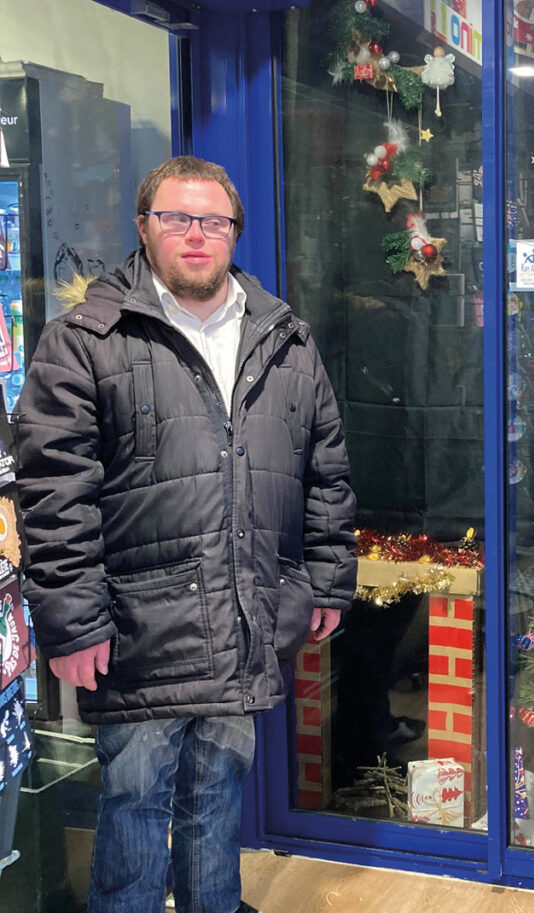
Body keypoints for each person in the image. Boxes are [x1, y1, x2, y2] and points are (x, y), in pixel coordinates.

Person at [13, 156, 358, 913]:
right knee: (134, 804)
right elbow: (52, 493)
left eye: (214, 220)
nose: (196, 235)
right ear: (144, 228)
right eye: (176, 217)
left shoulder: (284, 338)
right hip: (137, 633)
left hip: (245, 616)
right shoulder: (83, 340)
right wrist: (71, 623)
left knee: (216, 797)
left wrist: (329, 578)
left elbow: (325, 468)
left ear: (234, 232)